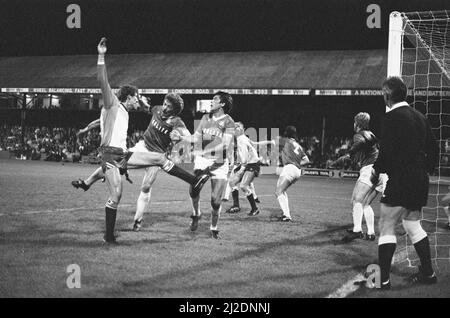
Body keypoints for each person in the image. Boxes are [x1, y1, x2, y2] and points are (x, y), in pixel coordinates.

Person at [370, 76, 439, 289]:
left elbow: (387, 152)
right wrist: (423, 170)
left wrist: (376, 170)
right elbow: (434, 150)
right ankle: (428, 273)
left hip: (401, 179)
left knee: (387, 224)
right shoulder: (420, 117)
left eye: (383, 93)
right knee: (412, 224)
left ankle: (382, 280)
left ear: (387, 95)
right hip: (419, 179)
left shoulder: (391, 117)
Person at [94, 37, 139, 244]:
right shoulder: (112, 103)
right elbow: (103, 82)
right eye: (135, 97)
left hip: (119, 154)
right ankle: (108, 235)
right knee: (117, 193)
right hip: (110, 153)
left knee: (117, 194)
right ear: (128, 97)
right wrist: (101, 55)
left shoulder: (125, 113)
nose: (137, 101)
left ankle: (109, 234)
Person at [174, 91, 235, 238]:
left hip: (219, 163)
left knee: (215, 201)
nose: (211, 102)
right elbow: (195, 137)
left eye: (214, 99)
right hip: (203, 159)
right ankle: (196, 213)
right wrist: (181, 137)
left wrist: (207, 150)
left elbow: (225, 145)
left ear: (222, 104)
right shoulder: (205, 118)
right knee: (194, 189)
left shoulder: (229, 122)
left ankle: (213, 227)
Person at [331, 112, 388, 243]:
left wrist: (350, 153)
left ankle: (357, 230)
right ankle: (371, 233)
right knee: (365, 203)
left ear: (357, 123)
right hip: (381, 172)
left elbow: (360, 143)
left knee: (356, 200)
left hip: (370, 170)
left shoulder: (359, 135)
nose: (353, 124)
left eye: (354, 122)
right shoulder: (372, 134)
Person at [226, 122, 275, 215]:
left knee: (243, 186)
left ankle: (255, 209)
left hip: (252, 165)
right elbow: (256, 143)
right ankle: (236, 206)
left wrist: (241, 169)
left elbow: (244, 158)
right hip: (248, 164)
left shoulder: (241, 139)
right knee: (232, 182)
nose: (235, 129)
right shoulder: (244, 138)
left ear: (242, 130)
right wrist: (270, 142)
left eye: (237, 127)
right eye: (235, 127)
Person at [275, 126, 309, 222]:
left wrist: (255, 143)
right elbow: (307, 160)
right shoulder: (298, 145)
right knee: (281, 190)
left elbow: (273, 141)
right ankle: (286, 213)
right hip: (297, 171)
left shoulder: (285, 141)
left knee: (278, 192)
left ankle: (287, 216)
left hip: (289, 168)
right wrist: (297, 163)